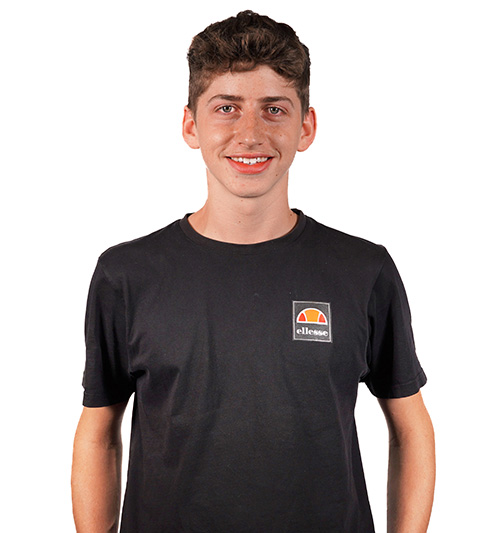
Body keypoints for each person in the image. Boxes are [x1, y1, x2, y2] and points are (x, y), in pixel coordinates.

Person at [71, 10, 435, 533]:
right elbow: (98, 431)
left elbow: (410, 427)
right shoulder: (126, 274)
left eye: (274, 109)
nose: (250, 133)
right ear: (190, 126)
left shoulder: (363, 270)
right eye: (227, 108)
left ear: (305, 127)